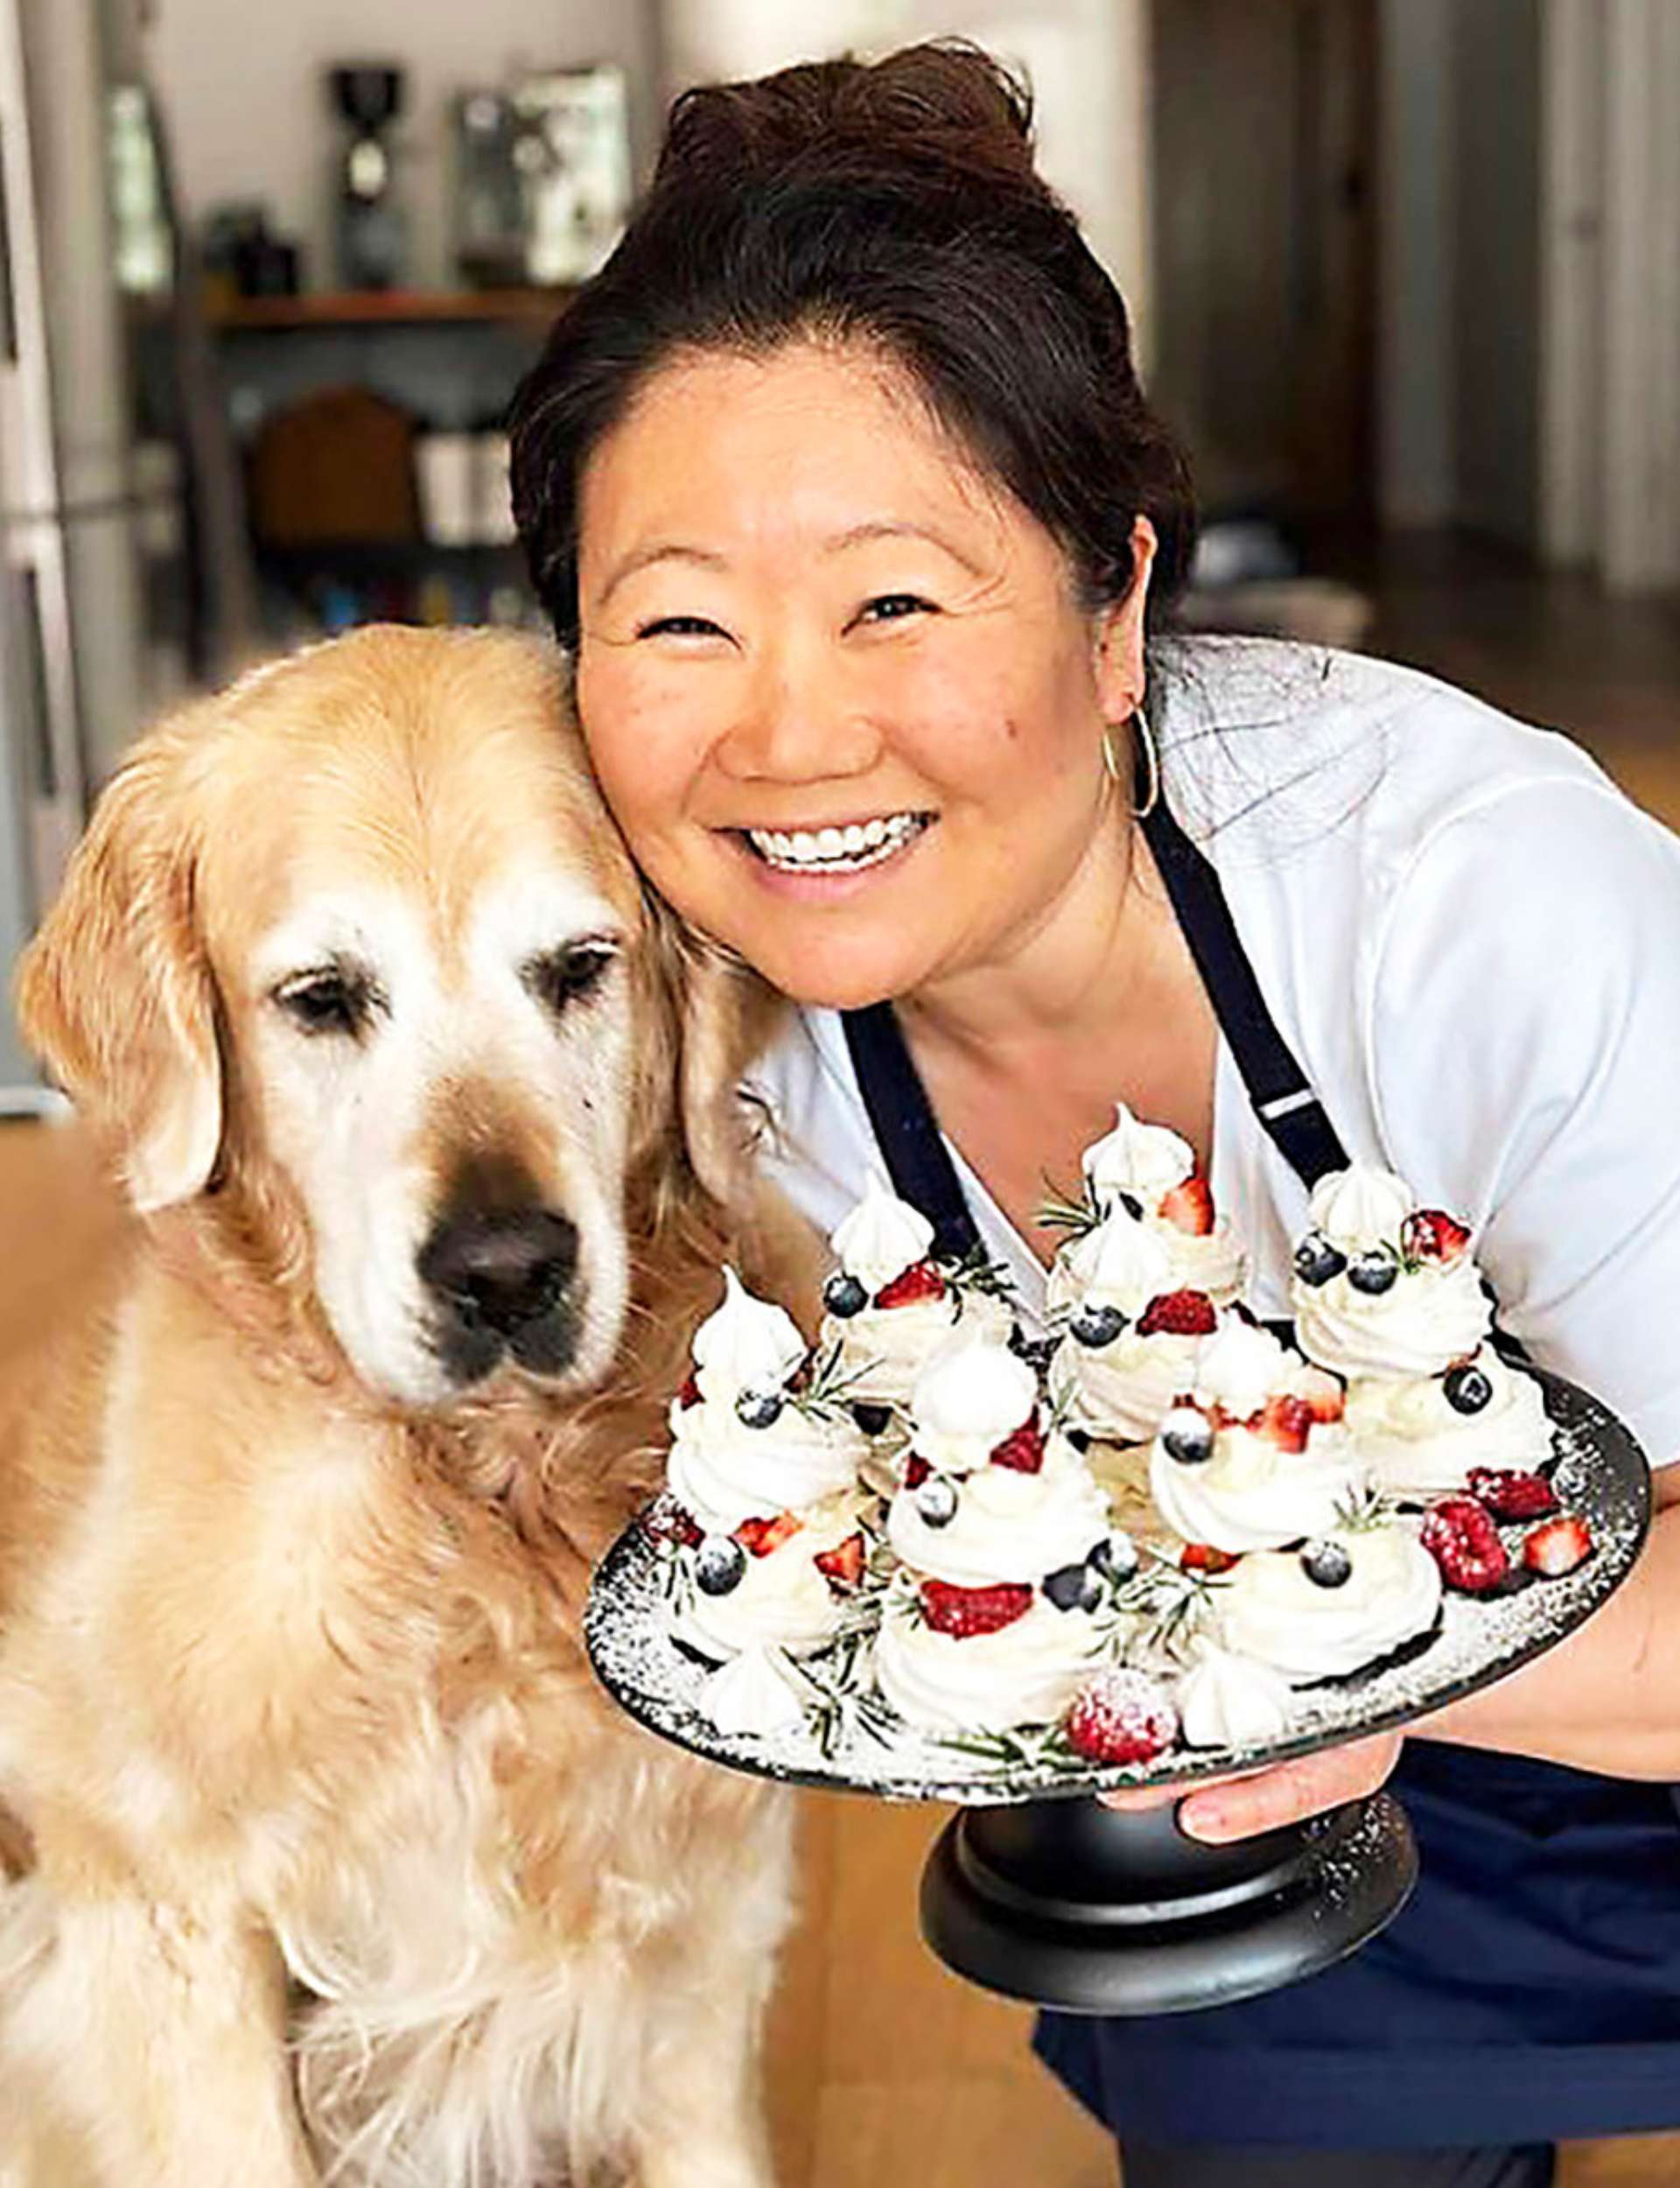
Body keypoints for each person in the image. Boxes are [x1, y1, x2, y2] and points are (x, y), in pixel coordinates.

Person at [508, 42, 1680, 2188]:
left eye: (894, 599)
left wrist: (1297, 1644)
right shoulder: (672, 1037)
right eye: (676, 620)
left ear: (1120, 602)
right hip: (1289, 1819)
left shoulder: (1476, 904)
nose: (789, 732)